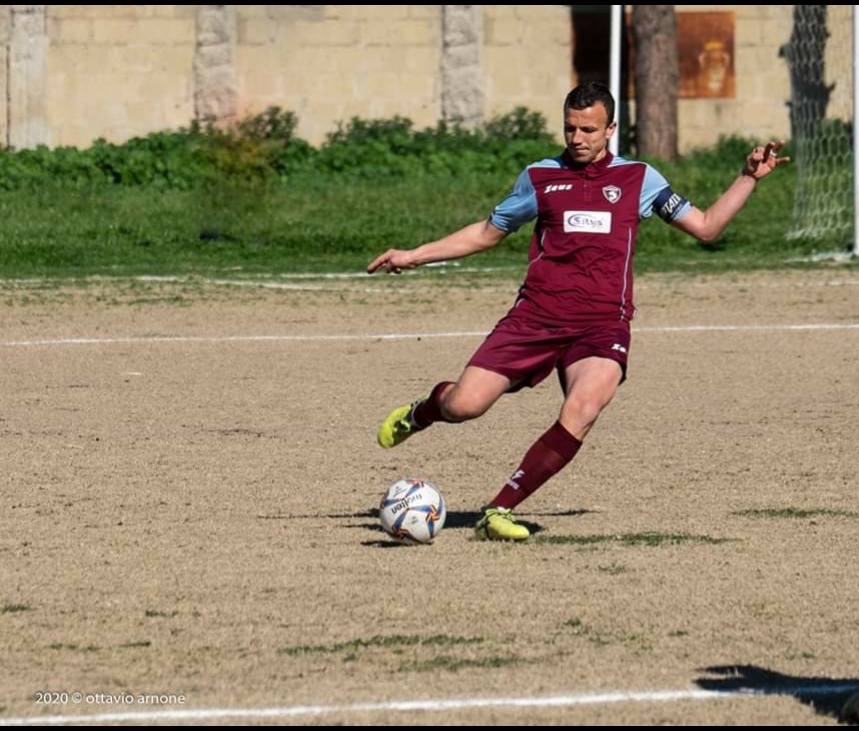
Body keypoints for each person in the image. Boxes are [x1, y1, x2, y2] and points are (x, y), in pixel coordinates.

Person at [366, 81, 788, 541]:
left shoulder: (640, 178)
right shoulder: (540, 177)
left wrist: (747, 177)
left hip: (602, 325)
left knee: (584, 407)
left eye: (588, 129)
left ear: (610, 129)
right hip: (535, 318)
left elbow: (705, 227)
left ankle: (498, 510)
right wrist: (414, 255)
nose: (577, 138)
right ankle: (422, 412)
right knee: (464, 405)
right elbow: (487, 233)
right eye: (570, 128)